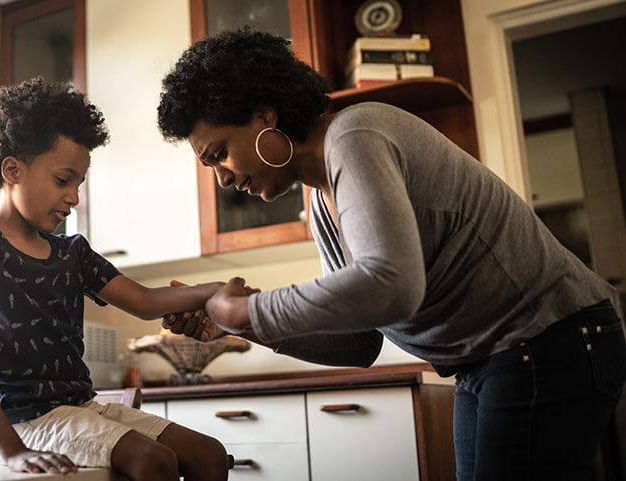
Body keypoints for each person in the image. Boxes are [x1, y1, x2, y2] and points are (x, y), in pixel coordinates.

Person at [156, 28, 626, 481]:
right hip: (486, 362)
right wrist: (242, 325)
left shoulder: (356, 135)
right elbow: (361, 342)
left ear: (264, 116)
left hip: (548, 339)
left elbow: (390, 285)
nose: (221, 178)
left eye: (218, 153)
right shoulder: (322, 197)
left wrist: (247, 308)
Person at [0, 78, 228, 481]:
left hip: (85, 408)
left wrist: (214, 291)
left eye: (79, 184)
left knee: (209, 455)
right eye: (62, 180)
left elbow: (142, 300)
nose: (74, 196)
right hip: (24, 422)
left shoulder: (72, 253)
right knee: (153, 461)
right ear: (13, 170)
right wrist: (13, 451)